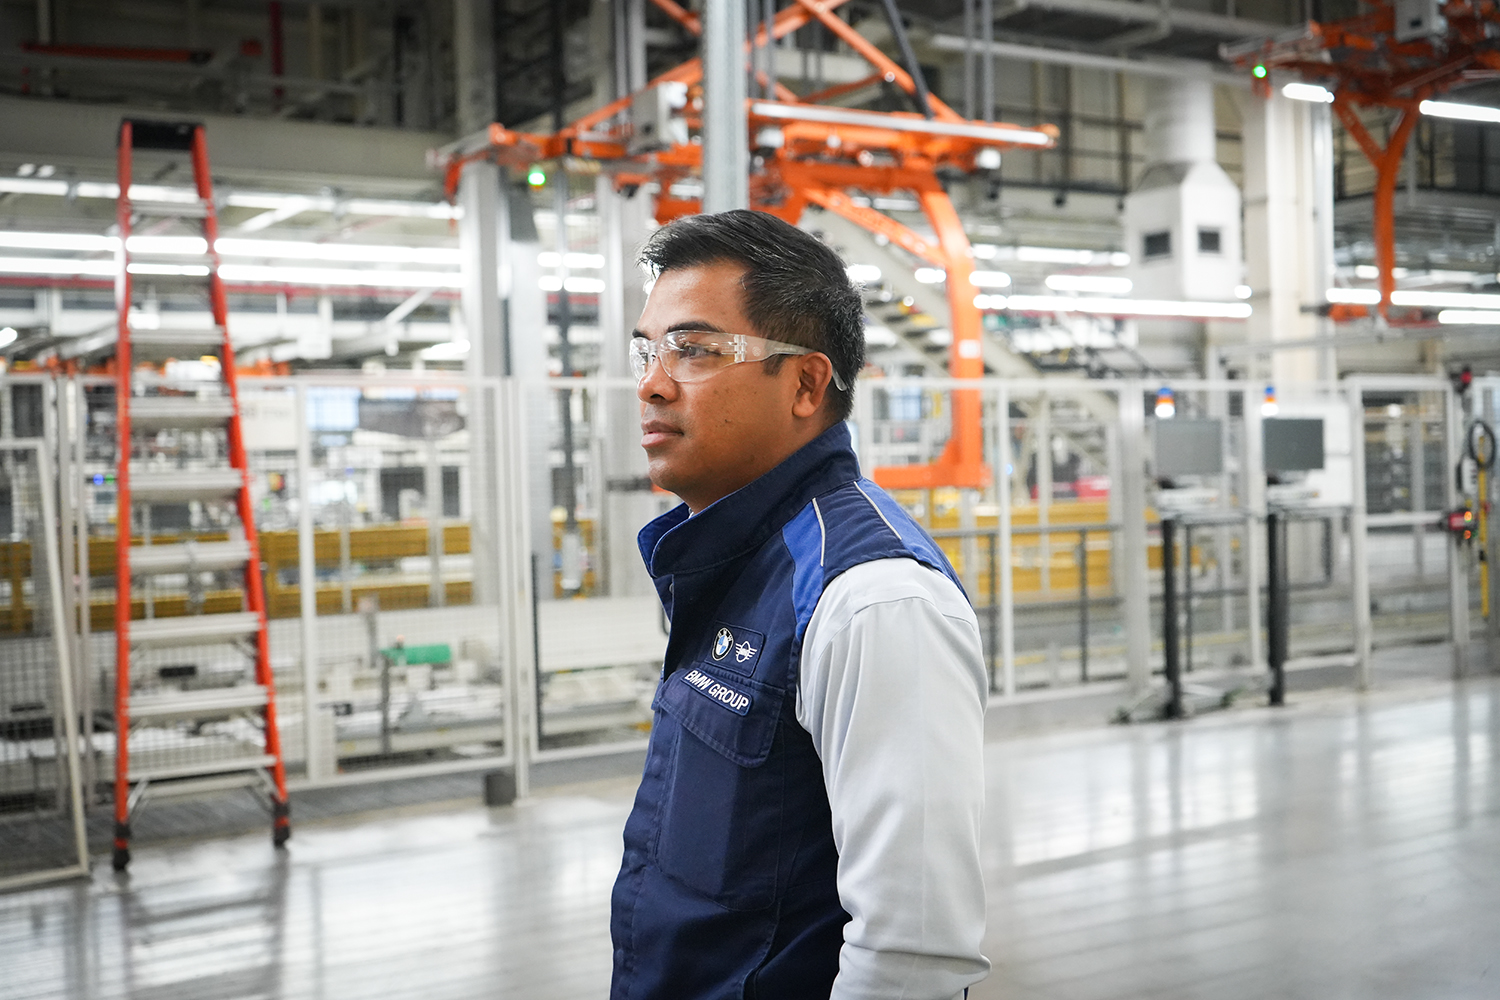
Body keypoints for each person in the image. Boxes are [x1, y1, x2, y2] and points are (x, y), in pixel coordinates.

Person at [610, 209, 990, 1000]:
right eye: (648, 349)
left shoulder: (873, 599)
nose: (651, 381)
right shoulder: (740, 560)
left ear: (807, 384)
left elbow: (914, 950)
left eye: (695, 350)